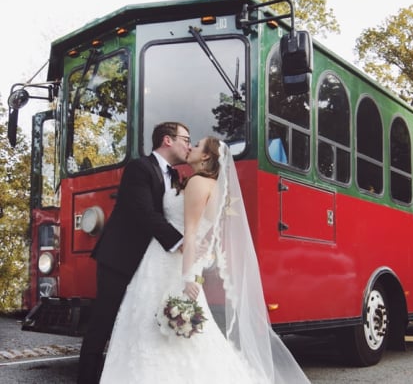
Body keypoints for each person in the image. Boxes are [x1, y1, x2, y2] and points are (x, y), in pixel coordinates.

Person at [99, 136, 311, 384]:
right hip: (177, 261)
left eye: (197, 145)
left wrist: (189, 278)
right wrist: (196, 274)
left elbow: (190, 236)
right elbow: (206, 242)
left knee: (152, 328)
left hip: (168, 264)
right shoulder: (213, 186)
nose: (191, 147)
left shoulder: (198, 183)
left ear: (207, 157)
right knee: (169, 333)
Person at [77, 122, 192, 384]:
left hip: (150, 263)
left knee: (136, 325)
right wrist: (180, 242)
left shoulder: (175, 176)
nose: (189, 144)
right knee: (102, 325)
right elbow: (143, 212)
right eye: (185, 139)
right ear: (167, 140)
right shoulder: (139, 168)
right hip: (119, 259)